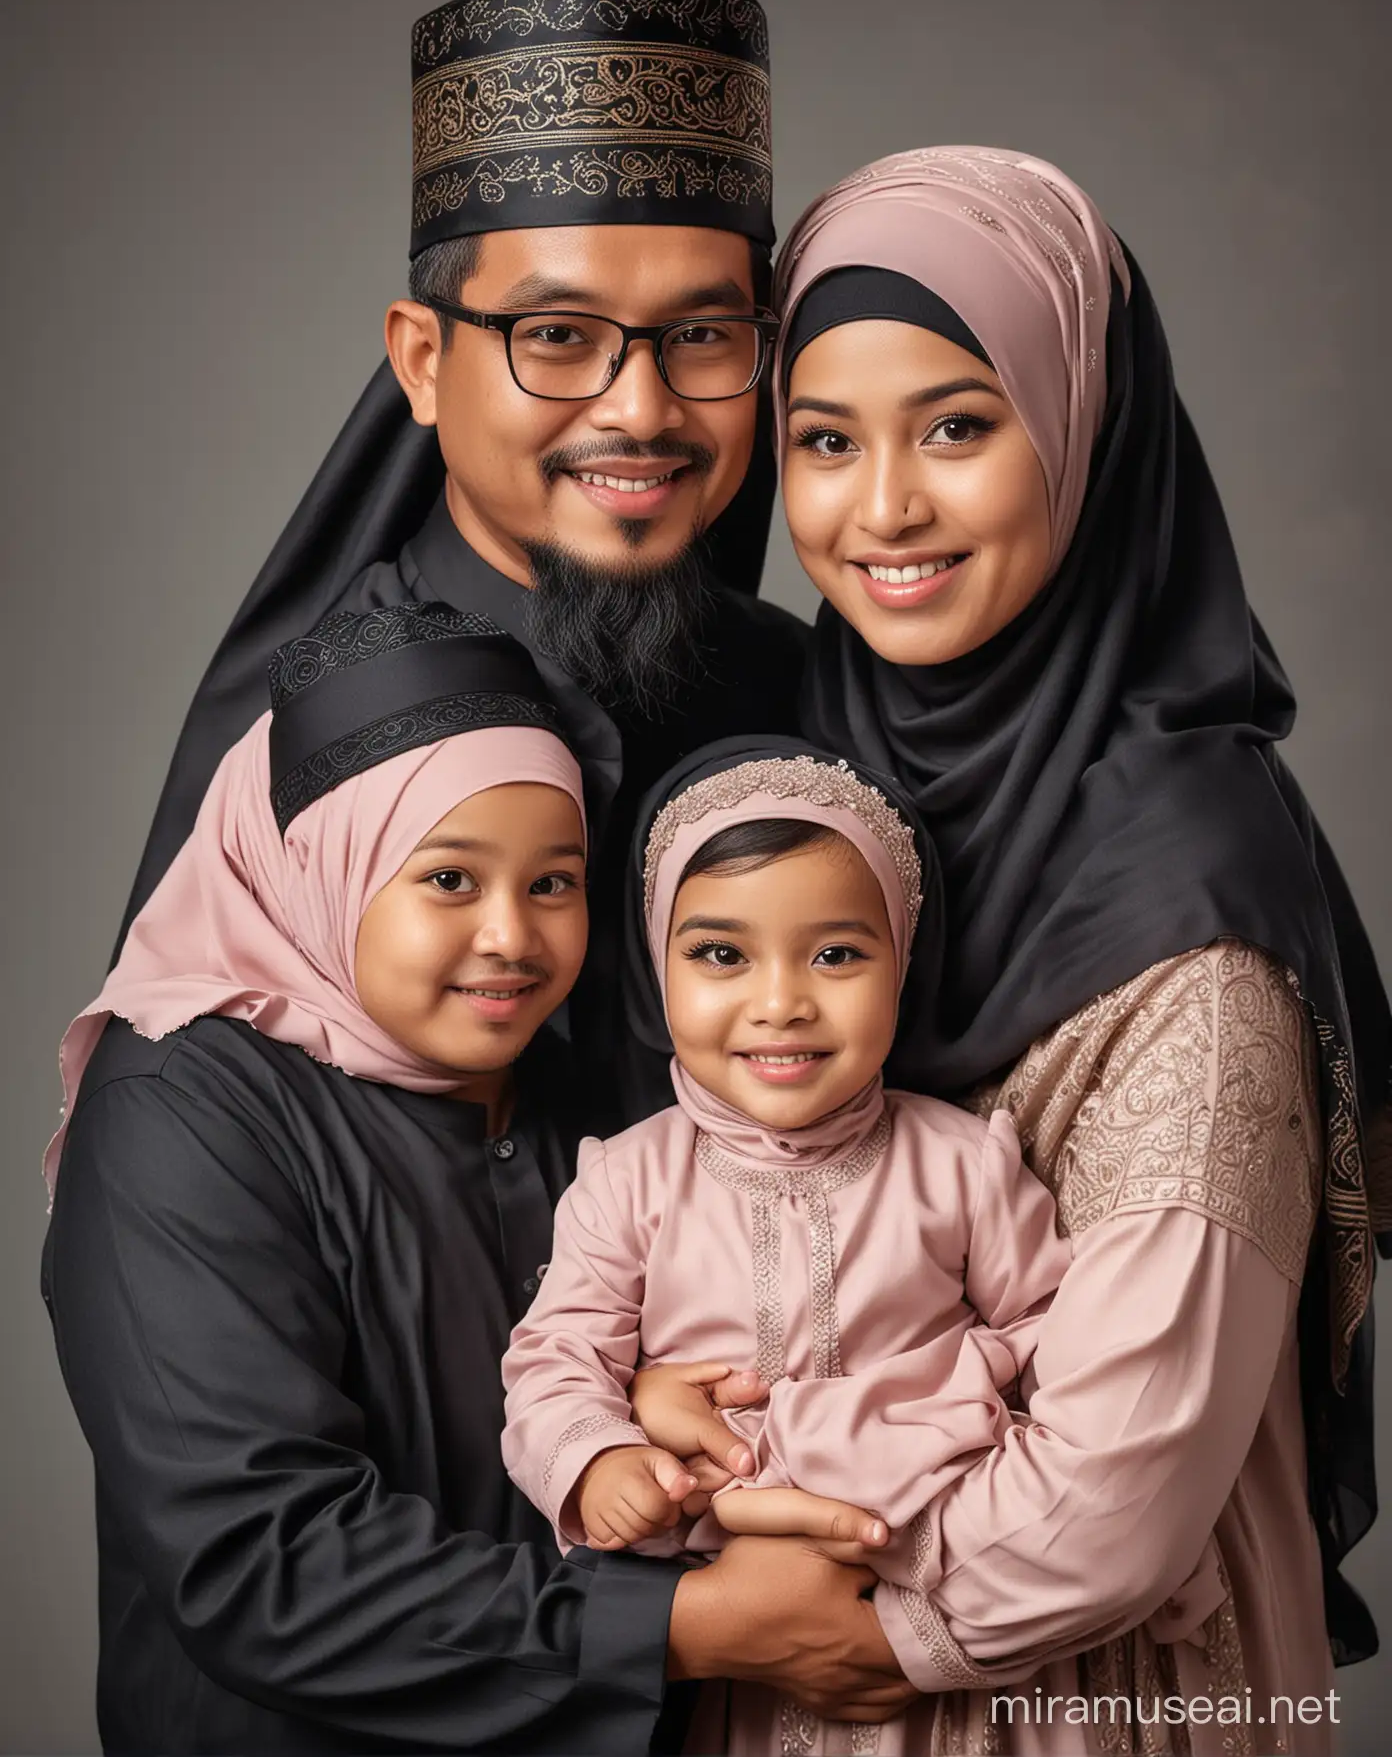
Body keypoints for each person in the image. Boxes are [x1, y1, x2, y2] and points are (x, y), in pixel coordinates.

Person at [741, 146, 1389, 1750]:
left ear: (1087, 433)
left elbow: (1119, 1493)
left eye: (959, 427)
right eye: (823, 441)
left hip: (1097, 1691)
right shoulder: (788, 795)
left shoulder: (1191, 886)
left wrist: (782, 1596)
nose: (881, 508)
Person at [43, 605, 914, 1754]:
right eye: (450, 879)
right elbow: (264, 1562)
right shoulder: (180, 1112)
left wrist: (654, 1406)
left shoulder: (591, 1093)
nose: (513, 936)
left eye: (554, 884)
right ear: (319, 869)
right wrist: (684, 1625)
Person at [115, 0, 809, 1134]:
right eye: (556, 334)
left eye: (701, 334)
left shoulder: (815, 699)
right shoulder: (323, 753)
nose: (639, 408)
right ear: (423, 361)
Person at [501, 739, 1079, 1754]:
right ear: (656, 965)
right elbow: (557, 1360)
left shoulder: (963, 1165)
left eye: (837, 954)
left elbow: (1061, 1341)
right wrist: (595, 1459)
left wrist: (964, 1421)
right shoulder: (628, 1180)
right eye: (722, 954)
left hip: (940, 1603)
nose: (781, 1003)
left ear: (904, 959)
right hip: (743, 1648)